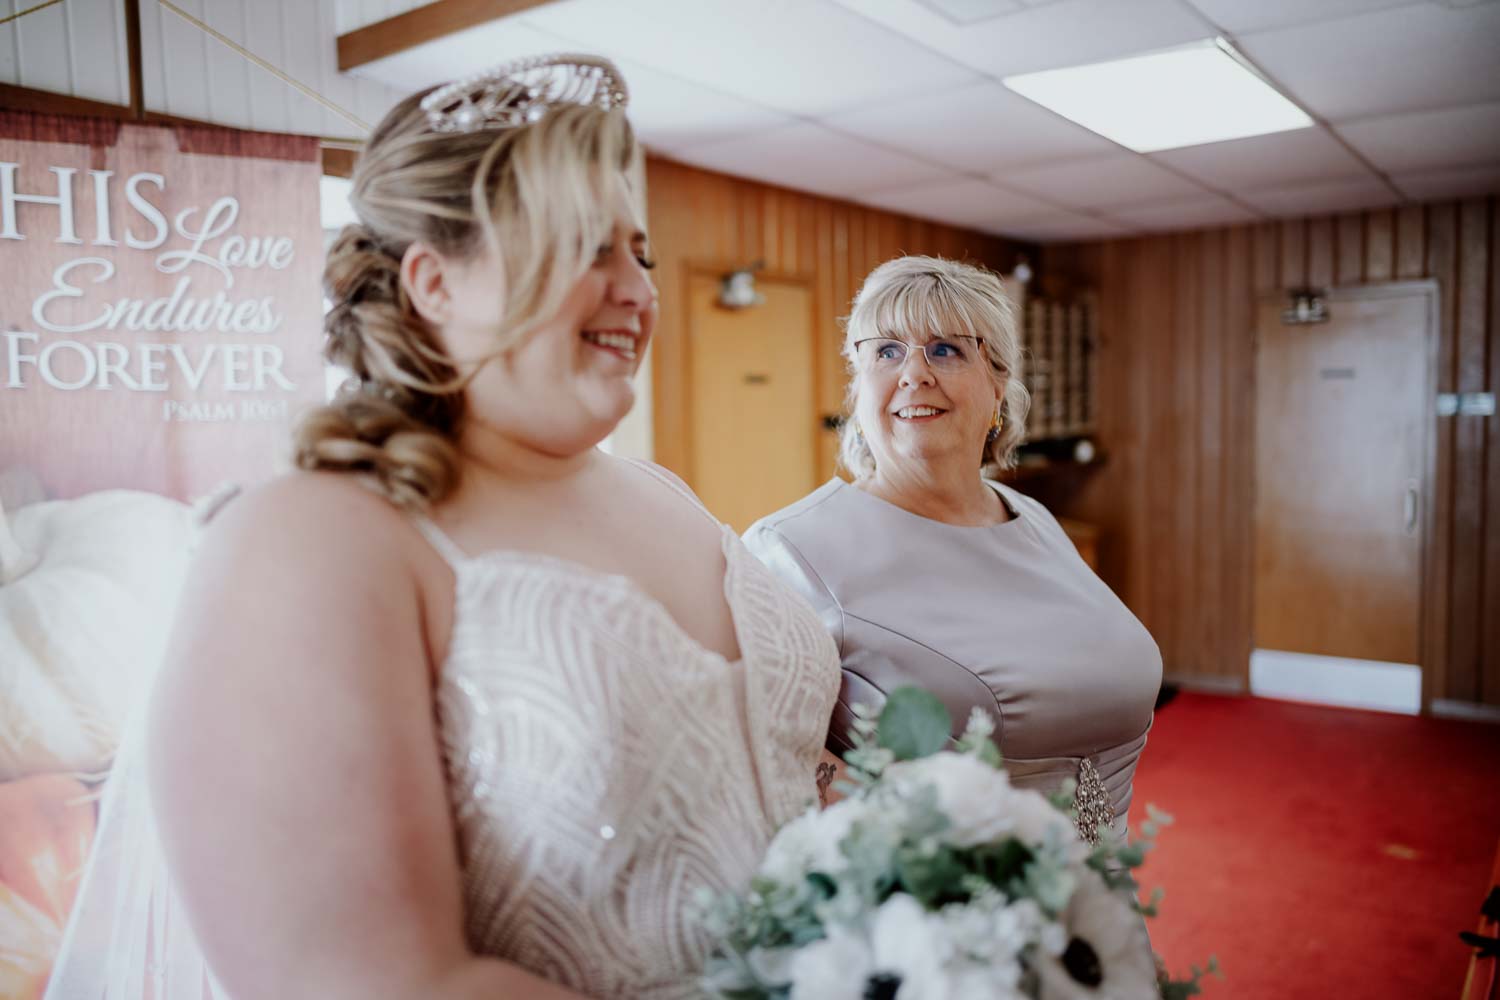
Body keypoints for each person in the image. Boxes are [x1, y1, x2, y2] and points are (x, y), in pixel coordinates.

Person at [46, 54, 839, 1000]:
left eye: (641, 254)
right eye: (586, 246)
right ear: (434, 283)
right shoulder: (316, 539)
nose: (636, 289)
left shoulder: (665, 495)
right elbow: (372, 981)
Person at [744, 255, 1160, 845]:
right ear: (858, 391)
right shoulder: (789, 550)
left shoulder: (1032, 520)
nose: (913, 372)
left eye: (945, 349)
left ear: (998, 388)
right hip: (943, 905)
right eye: (886, 351)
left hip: (1105, 886)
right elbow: (764, 754)